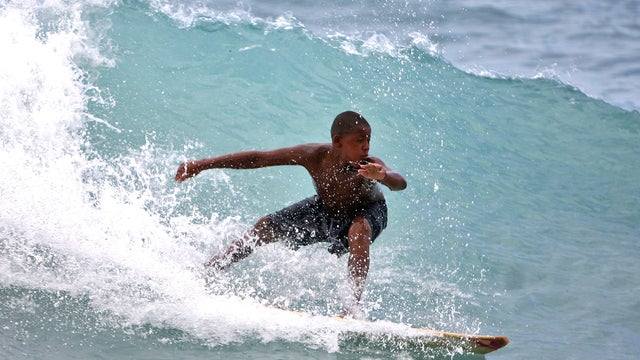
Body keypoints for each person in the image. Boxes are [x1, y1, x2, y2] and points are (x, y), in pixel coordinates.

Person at [175, 111, 407, 316]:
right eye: (359, 140)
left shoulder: (370, 165)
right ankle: (209, 271)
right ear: (338, 141)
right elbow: (260, 158)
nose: (366, 146)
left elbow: (399, 182)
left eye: (368, 139)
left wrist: (381, 177)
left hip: (367, 211)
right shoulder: (314, 155)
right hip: (325, 208)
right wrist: (202, 164)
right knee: (264, 226)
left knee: (359, 229)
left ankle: (351, 308)